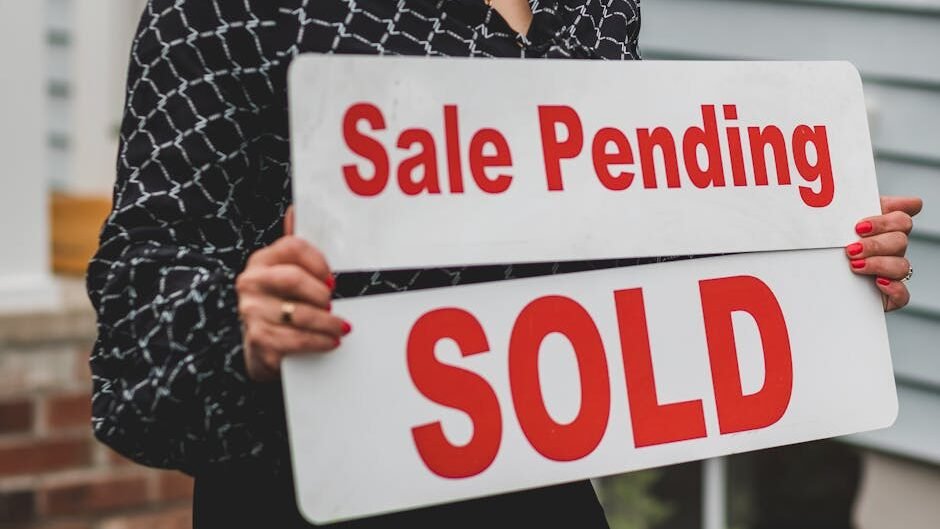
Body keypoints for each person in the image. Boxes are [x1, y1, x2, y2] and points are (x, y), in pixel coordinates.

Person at [86, 1, 922, 528]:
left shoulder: (592, 11)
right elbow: (135, 320)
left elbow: (612, 221)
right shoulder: (222, 13)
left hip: (539, 488)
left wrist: (818, 256)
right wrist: (240, 322)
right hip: (314, 494)